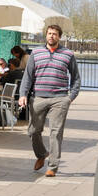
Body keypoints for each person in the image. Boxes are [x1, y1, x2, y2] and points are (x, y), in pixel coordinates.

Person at [19, 24, 81, 177]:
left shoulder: (68, 54)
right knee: (33, 130)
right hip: (38, 97)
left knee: (56, 133)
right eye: (49, 33)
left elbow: (76, 78)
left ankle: (52, 167)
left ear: (59, 37)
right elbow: (28, 76)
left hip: (60, 99)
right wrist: (23, 94)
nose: (51, 36)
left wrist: (70, 97)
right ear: (45, 35)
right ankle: (41, 154)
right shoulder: (36, 52)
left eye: (54, 34)